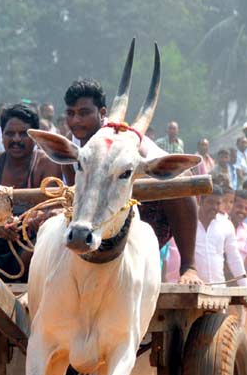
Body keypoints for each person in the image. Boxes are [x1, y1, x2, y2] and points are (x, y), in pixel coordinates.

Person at [62, 77, 202, 285]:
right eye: (71, 114)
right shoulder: (73, 145)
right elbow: (76, 192)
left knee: (180, 183)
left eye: (84, 113)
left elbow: (176, 176)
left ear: (102, 114)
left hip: (145, 213)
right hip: (93, 222)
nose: (76, 121)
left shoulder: (127, 140)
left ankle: (189, 267)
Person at [0, 102, 63, 282]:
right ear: (1, 135)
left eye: (23, 134)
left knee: (45, 244)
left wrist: (38, 218)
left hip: (31, 248)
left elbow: (56, 209)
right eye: (10, 134)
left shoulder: (47, 165)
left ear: (35, 137)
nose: (16, 140)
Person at [194, 186, 247, 286]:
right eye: (210, 202)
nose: (214, 207)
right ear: (201, 201)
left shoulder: (226, 225)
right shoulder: (189, 222)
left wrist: (245, 287)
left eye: (218, 203)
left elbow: (234, 257)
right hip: (191, 288)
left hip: (218, 288)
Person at [230, 189, 247, 281]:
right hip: (222, 279)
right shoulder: (221, 225)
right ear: (231, 204)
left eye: (246, 209)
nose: (242, 211)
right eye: (239, 206)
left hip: (239, 280)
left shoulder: (245, 229)